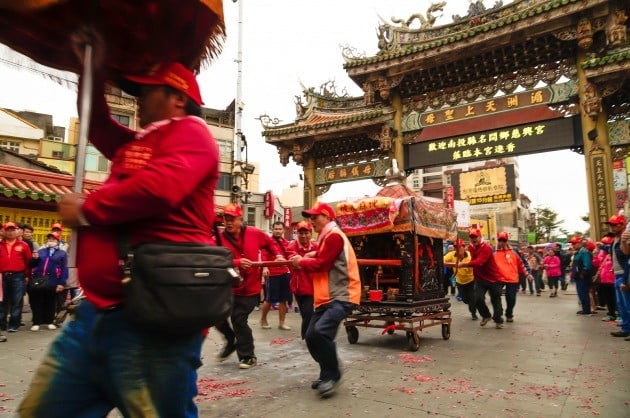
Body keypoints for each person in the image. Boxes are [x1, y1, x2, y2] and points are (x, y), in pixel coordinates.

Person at [18, 30, 220, 417]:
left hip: (155, 323)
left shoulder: (192, 133)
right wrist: (88, 68)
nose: (138, 100)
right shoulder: (138, 144)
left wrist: (87, 209)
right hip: (96, 315)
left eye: (147, 92)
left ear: (178, 98)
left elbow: (160, 189)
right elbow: (96, 123)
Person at [290, 202, 361, 398]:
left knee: (321, 332)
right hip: (326, 298)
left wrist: (302, 260)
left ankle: (334, 374)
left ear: (328, 218)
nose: (312, 221)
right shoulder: (326, 238)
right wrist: (313, 254)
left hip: (342, 296)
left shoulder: (334, 236)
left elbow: (322, 264)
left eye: (315, 217)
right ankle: (326, 374)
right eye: (310, 218)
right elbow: (323, 257)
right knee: (311, 335)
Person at [215, 203, 285, 369]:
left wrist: (279, 255)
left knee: (239, 319)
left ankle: (248, 356)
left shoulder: (255, 233)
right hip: (228, 287)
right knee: (215, 314)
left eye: (233, 219)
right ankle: (230, 339)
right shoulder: (218, 239)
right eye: (226, 219)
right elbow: (214, 259)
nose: (229, 222)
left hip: (250, 288)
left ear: (241, 219)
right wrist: (236, 262)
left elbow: (271, 243)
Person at [458, 228, 505, 329]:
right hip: (480, 279)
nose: (473, 239)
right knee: (477, 298)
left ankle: (498, 320)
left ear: (480, 237)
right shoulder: (470, 248)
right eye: (471, 237)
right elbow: (463, 254)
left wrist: (465, 264)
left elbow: (480, 262)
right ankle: (486, 316)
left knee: (495, 299)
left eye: (475, 237)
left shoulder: (486, 248)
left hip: (494, 278)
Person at [29, 232, 68, 331]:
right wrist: (35, 258)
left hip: (53, 280)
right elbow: (31, 265)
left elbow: (64, 269)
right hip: (39, 279)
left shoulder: (62, 253)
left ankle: (49, 321)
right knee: (37, 301)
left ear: (58, 241)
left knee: (51, 302)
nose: (51, 241)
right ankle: (36, 322)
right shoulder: (40, 251)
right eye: (49, 239)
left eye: (53, 240)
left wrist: (61, 283)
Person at [287, 220, 318, 338]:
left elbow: (323, 254)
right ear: (296, 233)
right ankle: (308, 335)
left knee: (308, 312)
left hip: (312, 284)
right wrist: (305, 258)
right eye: (301, 233)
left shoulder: (316, 246)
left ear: (311, 233)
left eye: (306, 233)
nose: (304, 236)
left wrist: (310, 255)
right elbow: (296, 262)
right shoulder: (292, 245)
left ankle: (307, 336)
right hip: (298, 285)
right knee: (306, 313)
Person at [0, 222, 32, 334]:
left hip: (18, 276)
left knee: (16, 300)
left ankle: (14, 324)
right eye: (8, 230)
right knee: (2, 301)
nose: (10, 232)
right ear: (3, 232)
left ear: (16, 231)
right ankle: (2, 324)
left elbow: (28, 262)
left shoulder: (23, 245)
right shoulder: (0, 244)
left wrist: (27, 276)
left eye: (12, 230)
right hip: (2, 276)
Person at [260, 221, 293, 330]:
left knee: (283, 299)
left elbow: (290, 255)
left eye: (280, 229)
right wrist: (265, 268)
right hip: (272, 274)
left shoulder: (286, 242)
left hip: (284, 273)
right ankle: (263, 319)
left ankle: (282, 323)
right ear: (272, 229)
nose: (278, 231)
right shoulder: (267, 242)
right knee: (269, 299)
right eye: (276, 229)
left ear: (283, 230)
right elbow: (263, 256)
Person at [493, 232, 531, 323]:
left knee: (511, 299)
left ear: (507, 241)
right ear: (497, 240)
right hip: (498, 279)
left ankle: (509, 314)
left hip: (512, 279)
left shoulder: (514, 252)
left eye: (504, 240)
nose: (502, 242)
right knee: (495, 296)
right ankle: (499, 312)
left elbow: (521, 264)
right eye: (500, 240)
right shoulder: (493, 252)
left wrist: (527, 274)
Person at [606, 215, 630, 339]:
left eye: (615, 224)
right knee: (621, 304)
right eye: (611, 225)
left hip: (625, 273)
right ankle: (625, 328)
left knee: (628, 304)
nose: (612, 227)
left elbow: (627, 254)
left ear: (622, 224)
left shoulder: (625, 237)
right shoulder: (615, 239)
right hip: (617, 274)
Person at [443, 239, 476, 319]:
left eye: (459, 247)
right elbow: (442, 260)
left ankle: (473, 313)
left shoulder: (470, 255)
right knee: (465, 299)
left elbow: (475, 264)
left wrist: (465, 265)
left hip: (471, 280)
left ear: (464, 247)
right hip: (460, 281)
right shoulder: (452, 254)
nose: (457, 249)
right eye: (455, 247)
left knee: (472, 299)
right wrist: (453, 264)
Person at [570, 236, 594, 315]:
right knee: (580, 293)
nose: (573, 245)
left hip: (583, 277)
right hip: (578, 276)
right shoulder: (578, 252)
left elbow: (587, 265)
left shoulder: (584, 252)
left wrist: (582, 274)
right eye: (572, 244)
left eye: (574, 243)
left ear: (580, 243)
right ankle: (584, 309)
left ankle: (586, 310)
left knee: (583, 293)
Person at [595, 236, 617, 321]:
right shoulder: (601, 253)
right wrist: (595, 255)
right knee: (608, 298)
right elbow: (597, 264)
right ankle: (611, 314)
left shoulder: (613, 252)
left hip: (613, 279)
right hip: (604, 279)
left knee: (616, 298)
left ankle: (618, 314)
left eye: (605, 244)